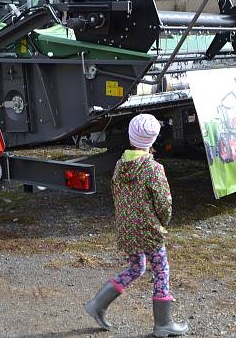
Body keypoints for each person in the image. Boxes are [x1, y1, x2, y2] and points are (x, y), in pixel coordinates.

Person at [84, 114, 187, 337]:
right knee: (161, 271)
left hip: (127, 229)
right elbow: (164, 203)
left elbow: (115, 194)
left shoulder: (120, 165)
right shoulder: (153, 169)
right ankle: (163, 324)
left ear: (131, 137)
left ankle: (97, 304)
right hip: (149, 231)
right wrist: (162, 223)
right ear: (153, 140)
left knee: (136, 267)